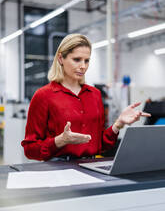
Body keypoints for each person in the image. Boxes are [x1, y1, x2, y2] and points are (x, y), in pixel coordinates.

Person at [21, 34, 151, 161]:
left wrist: (118, 124)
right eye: (77, 59)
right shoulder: (43, 96)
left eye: (86, 60)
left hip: (91, 166)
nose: (83, 66)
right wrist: (60, 141)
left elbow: (101, 145)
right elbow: (30, 149)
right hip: (58, 169)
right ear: (60, 59)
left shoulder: (94, 94)